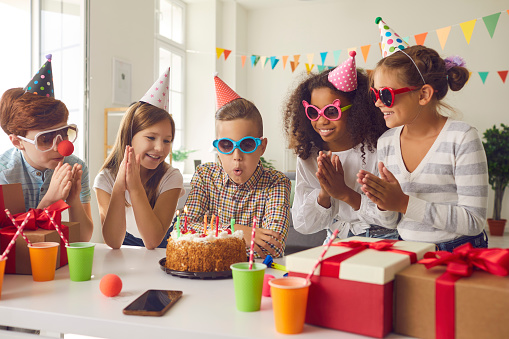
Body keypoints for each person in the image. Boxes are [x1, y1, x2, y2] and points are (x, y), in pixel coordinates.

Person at [357, 30, 488, 251]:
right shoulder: (386, 143)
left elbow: (474, 221)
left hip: (459, 253)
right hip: (408, 251)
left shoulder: (462, 138)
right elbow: (391, 222)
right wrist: (384, 203)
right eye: (375, 95)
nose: (378, 103)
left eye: (386, 95)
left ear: (423, 95)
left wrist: (404, 203)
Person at [283, 51, 397, 241]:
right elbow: (303, 224)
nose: (321, 120)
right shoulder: (309, 154)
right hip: (336, 239)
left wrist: (344, 193)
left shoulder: (380, 148)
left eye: (331, 111)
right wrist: (324, 194)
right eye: (313, 112)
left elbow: (392, 218)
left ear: (357, 111)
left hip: (383, 239)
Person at [183, 75, 291, 259]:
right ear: (217, 148)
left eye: (247, 145)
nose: (237, 157)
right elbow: (184, 228)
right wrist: (237, 231)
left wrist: (209, 237)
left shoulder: (277, 183)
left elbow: (272, 247)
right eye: (226, 145)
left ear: (262, 146)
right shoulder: (205, 175)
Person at [0, 55, 93, 241]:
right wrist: (49, 201)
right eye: (45, 138)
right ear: (17, 142)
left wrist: (73, 199)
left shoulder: (74, 166)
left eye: (65, 133)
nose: (62, 147)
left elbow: (82, 239)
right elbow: (10, 243)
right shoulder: (5, 173)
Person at [94, 68, 184, 249]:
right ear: (129, 135)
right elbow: (112, 242)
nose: (160, 148)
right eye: (151, 138)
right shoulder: (106, 179)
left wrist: (135, 188)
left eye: (167, 140)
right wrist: (119, 187)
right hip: (124, 250)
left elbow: (152, 241)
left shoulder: (171, 177)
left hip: (162, 251)